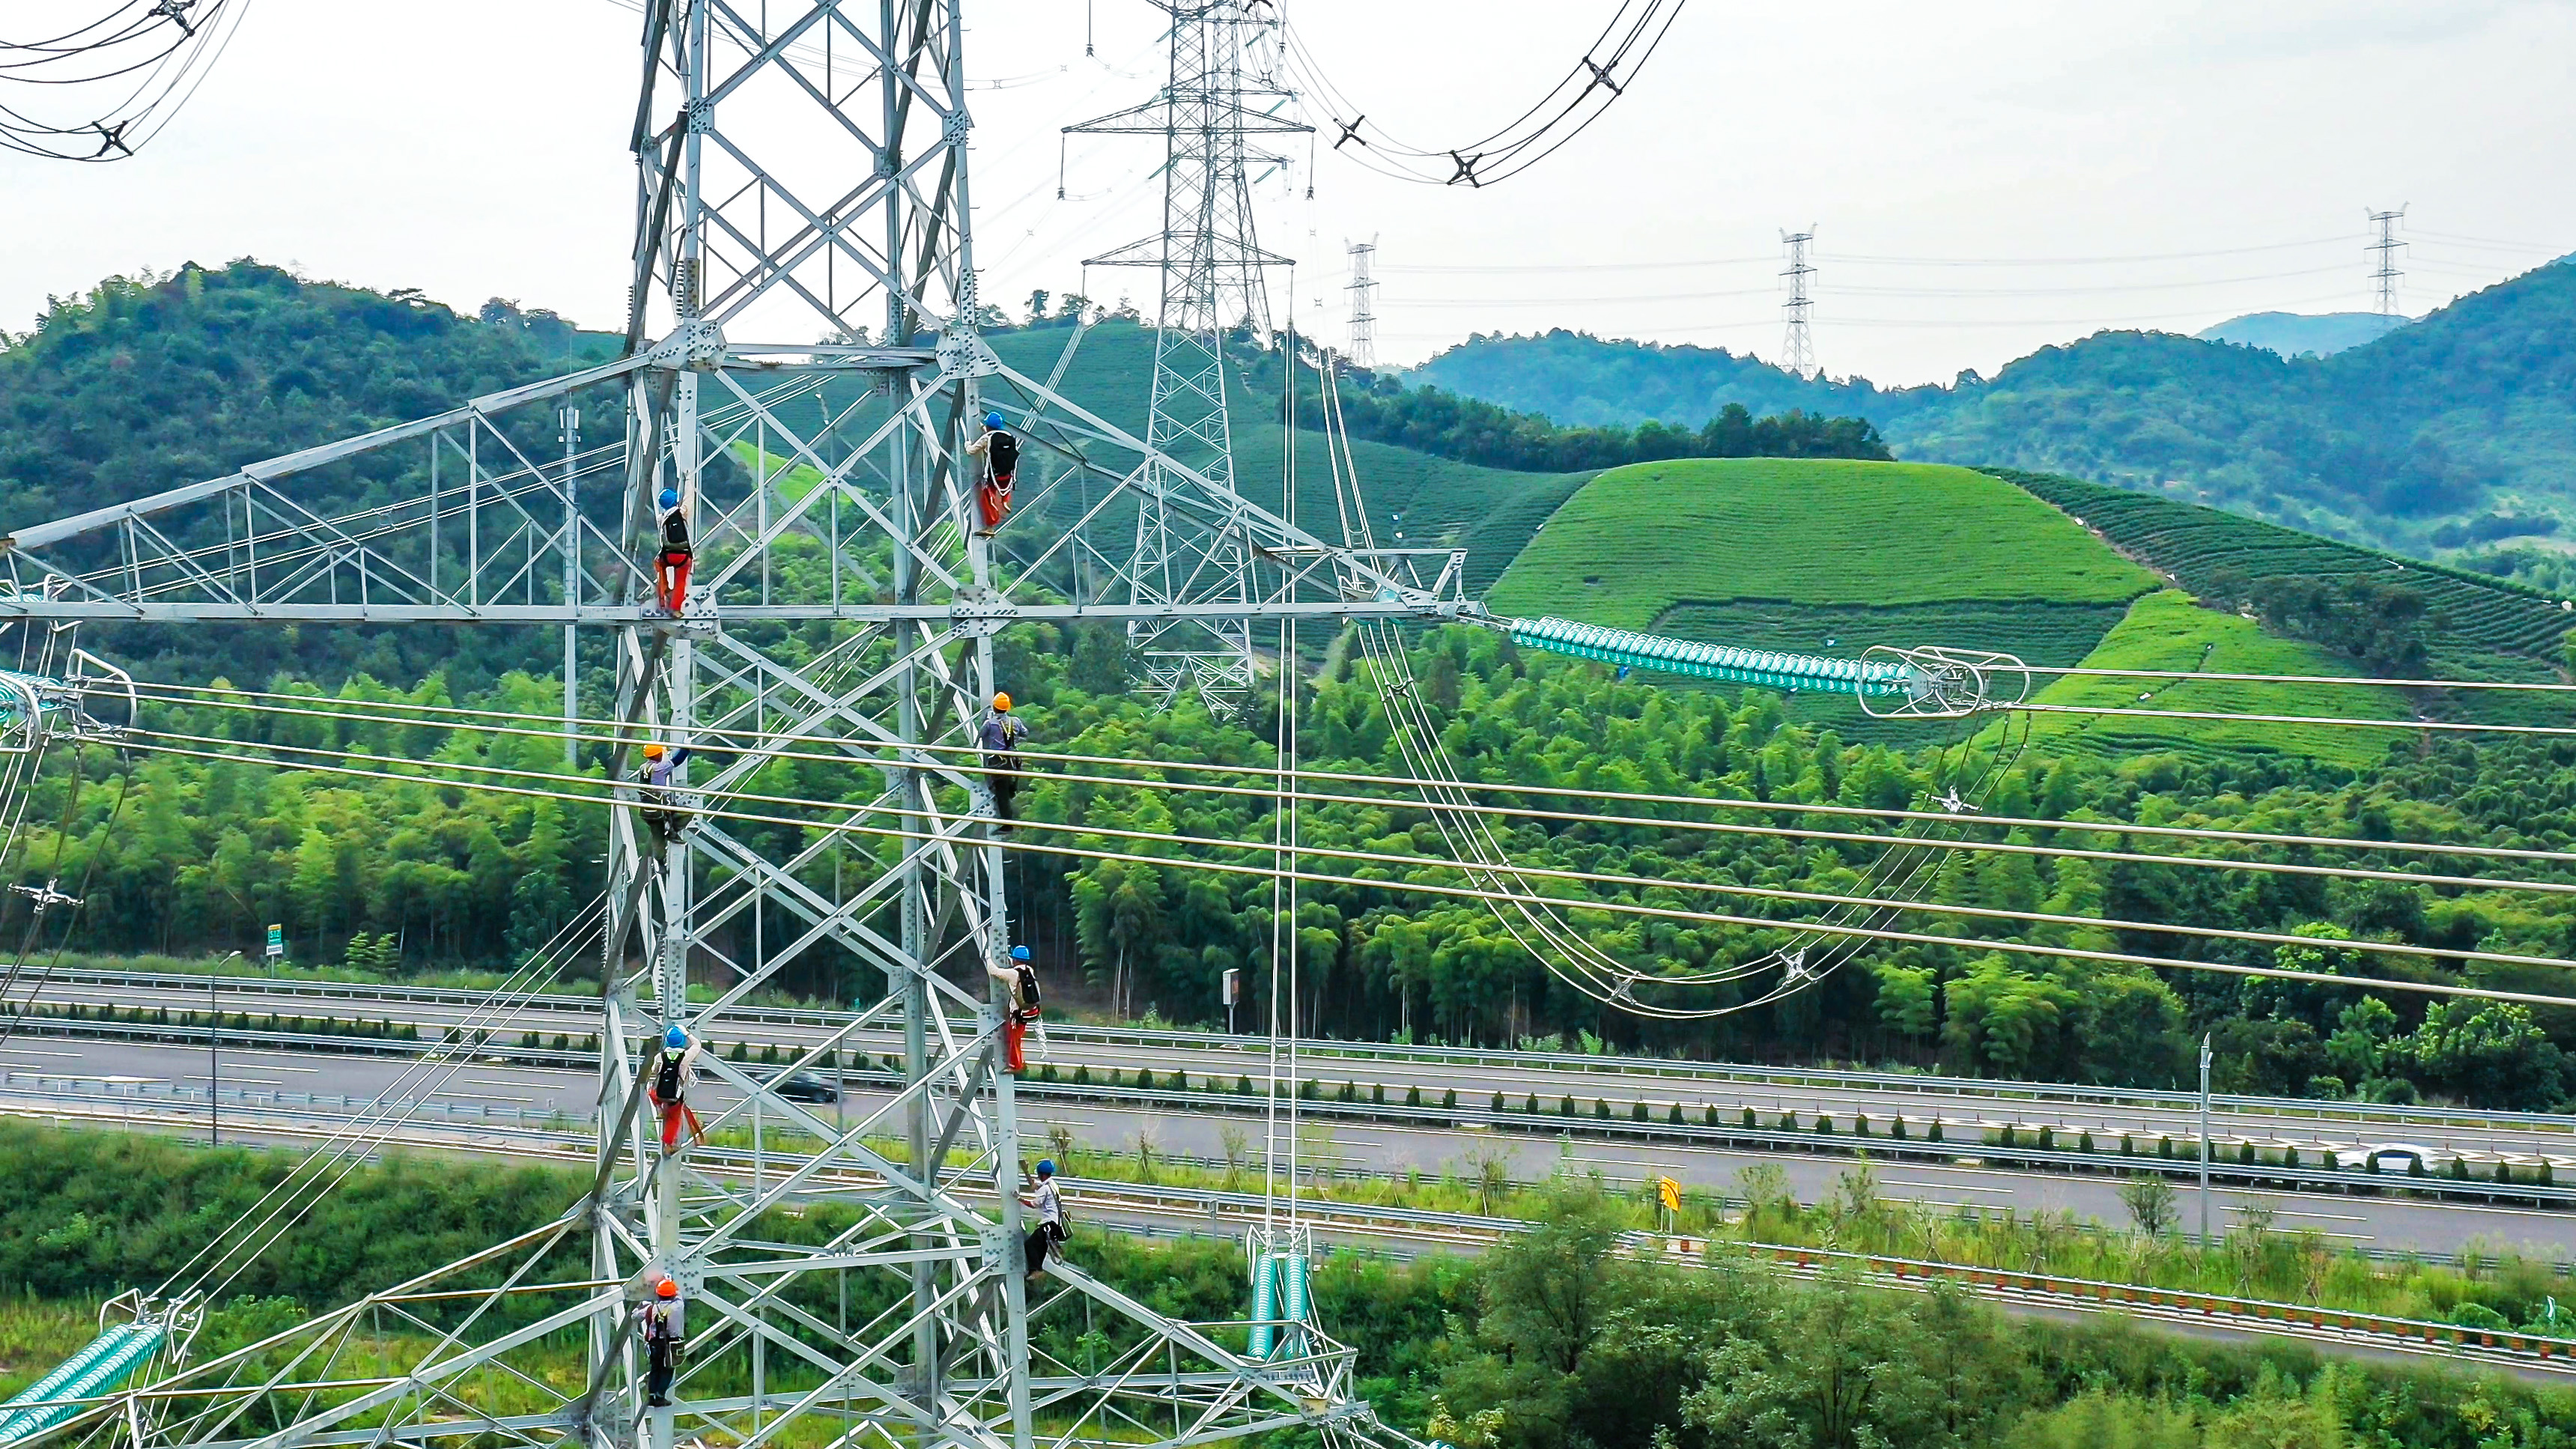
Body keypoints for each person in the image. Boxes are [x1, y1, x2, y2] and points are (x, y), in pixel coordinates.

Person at [647, 1025, 704, 1152]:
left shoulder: (660, 1057)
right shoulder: (685, 1056)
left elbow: (653, 1071)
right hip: (674, 1097)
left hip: (658, 1095)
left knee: (650, 1090)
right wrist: (686, 1033)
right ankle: (668, 1144)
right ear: (682, 1041)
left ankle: (660, 1109)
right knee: (673, 1119)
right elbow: (697, 1045)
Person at [963, 412, 1018, 537]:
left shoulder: (987, 438)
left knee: (987, 499)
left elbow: (971, 451)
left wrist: (967, 444)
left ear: (988, 426)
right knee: (1003, 491)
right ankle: (1005, 503)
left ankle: (990, 527)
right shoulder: (1009, 437)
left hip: (993, 476)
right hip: (1008, 476)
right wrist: (983, 428)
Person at [979, 693, 1029, 827]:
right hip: (1014, 760)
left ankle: (1007, 823)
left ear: (994, 708)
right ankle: (1012, 790)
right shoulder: (1016, 721)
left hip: (997, 762)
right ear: (1007, 708)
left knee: (1000, 792)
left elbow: (981, 735)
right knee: (1009, 785)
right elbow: (1025, 733)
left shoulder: (990, 723)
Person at [638, 1277, 682, 1407]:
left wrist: (642, 1306)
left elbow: (635, 1316)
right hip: (672, 1344)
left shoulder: (651, 1309)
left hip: (655, 1345)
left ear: (658, 1294)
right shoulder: (678, 1307)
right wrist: (670, 1280)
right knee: (667, 1370)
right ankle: (660, 1396)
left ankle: (652, 1396)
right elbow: (679, 1295)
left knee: (655, 1369)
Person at [1019, 1158, 1063, 1286]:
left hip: (1048, 1223)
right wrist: (1026, 1171)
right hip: (1055, 1224)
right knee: (1041, 1246)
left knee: (1030, 1244)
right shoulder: (1052, 1185)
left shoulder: (1045, 1189)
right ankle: (1036, 1268)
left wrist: (1019, 1198)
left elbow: (1034, 1204)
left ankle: (1036, 1270)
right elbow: (1034, 1185)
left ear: (1041, 1174)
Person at [640, 741, 692, 843]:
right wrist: (686, 748)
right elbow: (677, 761)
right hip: (660, 803)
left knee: (657, 834)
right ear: (658, 754)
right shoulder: (660, 768)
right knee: (687, 812)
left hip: (647, 804)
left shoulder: (643, 767)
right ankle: (672, 832)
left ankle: (669, 833)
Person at [653, 486, 693, 614]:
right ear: (675, 500)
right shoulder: (682, 513)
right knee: (681, 581)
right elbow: (689, 499)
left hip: (667, 555)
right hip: (683, 555)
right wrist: (688, 482)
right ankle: (676, 609)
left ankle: (664, 596)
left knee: (660, 569)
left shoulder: (661, 518)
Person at [1001, 944, 1041, 1074]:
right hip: (1027, 1012)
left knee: (1014, 1039)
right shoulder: (1029, 970)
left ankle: (1015, 1065)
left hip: (1017, 1015)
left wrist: (989, 958)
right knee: (1017, 1038)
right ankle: (1016, 1063)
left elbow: (994, 971)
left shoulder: (1013, 973)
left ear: (1015, 960)